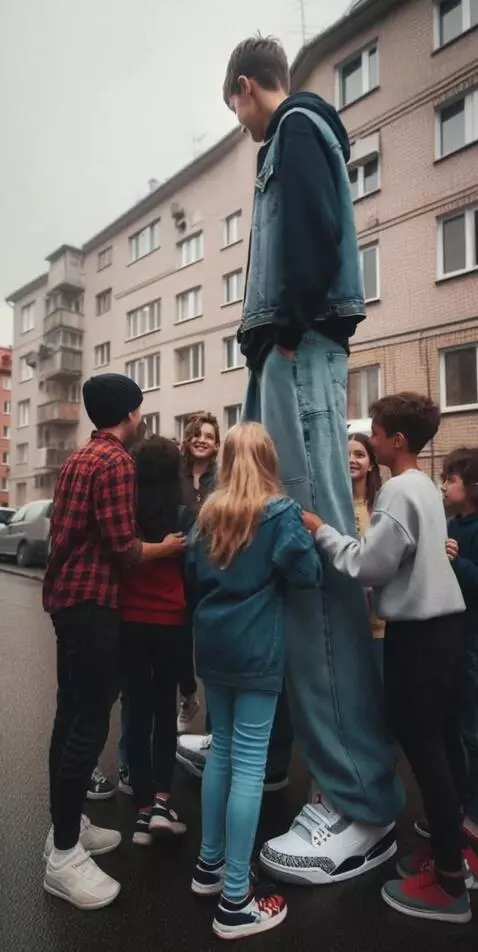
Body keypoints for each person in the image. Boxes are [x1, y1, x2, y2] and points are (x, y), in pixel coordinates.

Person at [223, 35, 403, 884]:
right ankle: (324, 769)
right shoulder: (294, 131)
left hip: (296, 354)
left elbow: (312, 231)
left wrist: (287, 332)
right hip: (284, 356)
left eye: (237, 110)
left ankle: (363, 803)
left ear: (245, 90)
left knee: (310, 546)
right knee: (274, 535)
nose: (243, 125)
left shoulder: (292, 125)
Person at [305, 393, 470, 924]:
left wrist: (321, 531)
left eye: (374, 432)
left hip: (417, 636)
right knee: (442, 744)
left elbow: (368, 566)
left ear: (397, 440)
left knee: (424, 752)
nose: (369, 439)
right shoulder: (424, 484)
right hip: (445, 628)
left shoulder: (397, 490)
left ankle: (449, 888)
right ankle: (455, 859)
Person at [43, 374, 185, 910]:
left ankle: (69, 822)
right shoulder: (117, 461)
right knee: (88, 723)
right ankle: (62, 855)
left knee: (69, 714)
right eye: (141, 407)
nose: (142, 415)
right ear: (129, 411)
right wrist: (166, 547)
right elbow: (123, 548)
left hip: (65, 601)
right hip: (92, 604)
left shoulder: (81, 457)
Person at [187, 423, 322, 940]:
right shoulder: (281, 512)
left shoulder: (209, 511)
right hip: (257, 649)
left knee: (220, 754)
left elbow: (195, 579)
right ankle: (236, 901)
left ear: (225, 459)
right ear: (268, 460)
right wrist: (314, 533)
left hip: (214, 645)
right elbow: (307, 574)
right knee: (248, 765)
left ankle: (209, 866)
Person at [119, 436, 188, 845]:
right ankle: (163, 802)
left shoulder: (127, 512)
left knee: (138, 710)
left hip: (130, 619)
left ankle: (143, 810)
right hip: (170, 621)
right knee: (165, 712)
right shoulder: (183, 514)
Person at [413, 447, 478, 859]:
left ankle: (472, 813)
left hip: (472, 643)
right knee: (452, 725)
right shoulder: (452, 522)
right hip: (453, 641)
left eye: (450, 480)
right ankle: (452, 806)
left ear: (472, 487)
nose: (443, 486)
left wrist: (459, 563)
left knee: (473, 731)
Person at [176, 412, 219, 735]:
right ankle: (188, 696)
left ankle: (214, 726)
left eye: (210, 436)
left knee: (210, 644)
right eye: (198, 434)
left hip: (209, 570)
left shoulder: (221, 478)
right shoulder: (174, 475)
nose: (203, 439)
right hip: (174, 569)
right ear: (188, 439)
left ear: (217, 445)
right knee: (178, 641)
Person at [349, 433, 385, 653]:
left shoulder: (383, 503)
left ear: (371, 464)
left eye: (359, 454)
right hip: (346, 621)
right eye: (346, 455)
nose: (351, 459)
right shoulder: (333, 506)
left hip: (380, 624)